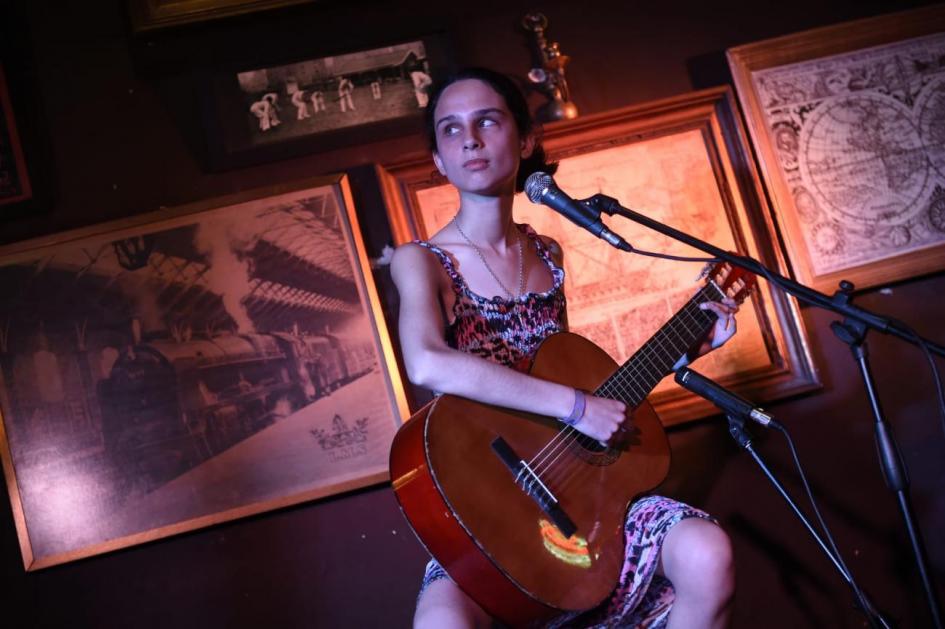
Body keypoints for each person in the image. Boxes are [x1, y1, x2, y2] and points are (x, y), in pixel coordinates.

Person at [390, 67, 739, 629]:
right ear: (438, 159)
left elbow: (566, 373)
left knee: (707, 552)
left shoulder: (546, 252)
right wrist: (578, 407)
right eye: (450, 130)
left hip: (573, 493)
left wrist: (683, 353)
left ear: (526, 139)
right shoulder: (422, 261)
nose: (470, 139)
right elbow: (427, 362)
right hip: (485, 504)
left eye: (487, 120)